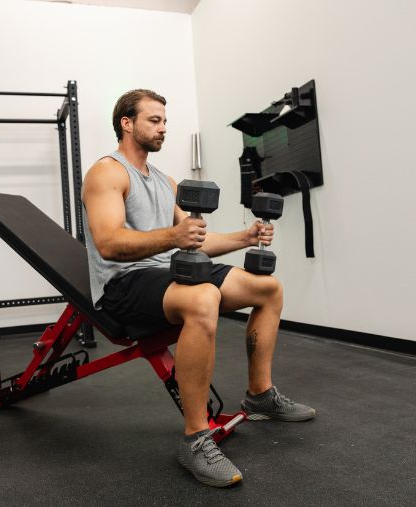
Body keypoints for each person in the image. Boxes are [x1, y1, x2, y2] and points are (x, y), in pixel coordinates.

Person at [81, 89, 315, 488]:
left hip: (167, 272)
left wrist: (246, 236)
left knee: (267, 288)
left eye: (165, 122)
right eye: (154, 120)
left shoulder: (164, 179)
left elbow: (196, 242)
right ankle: (195, 438)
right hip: (123, 283)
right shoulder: (107, 172)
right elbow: (109, 243)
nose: (163, 128)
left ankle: (259, 395)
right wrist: (175, 235)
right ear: (127, 122)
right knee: (205, 296)